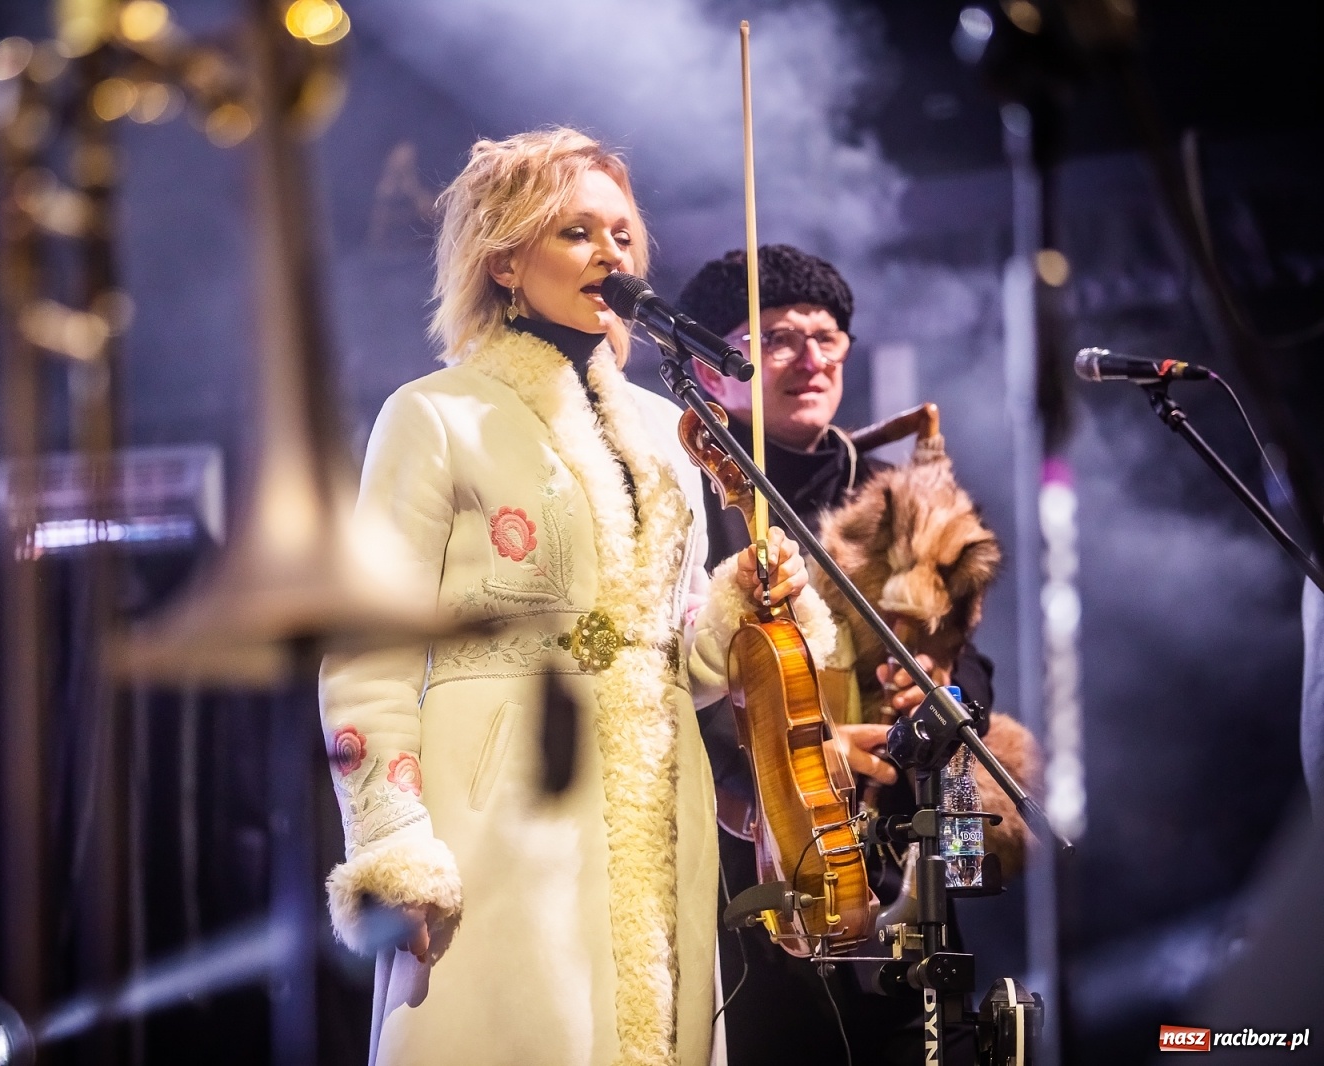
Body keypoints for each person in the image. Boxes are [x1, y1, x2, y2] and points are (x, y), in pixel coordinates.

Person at [318, 130, 832, 1066]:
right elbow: (367, 651)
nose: (612, 254)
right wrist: (393, 844)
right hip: (503, 803)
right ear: (506, 257)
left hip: (656, 799)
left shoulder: (663, 428)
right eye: (576, 232)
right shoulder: (434, 413)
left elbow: (674, 650)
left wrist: (734, 610)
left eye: (624, 234)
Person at [676, 244, 1038, 1065]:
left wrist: (942, 694)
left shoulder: (899, 498)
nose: (810, 358)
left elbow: (970, 661)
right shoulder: (687, 494)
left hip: (886, 861)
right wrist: (799, 757)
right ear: (712, 363)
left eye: (827, 336)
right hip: (740, 863)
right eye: (775, 337)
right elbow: (658, 681)